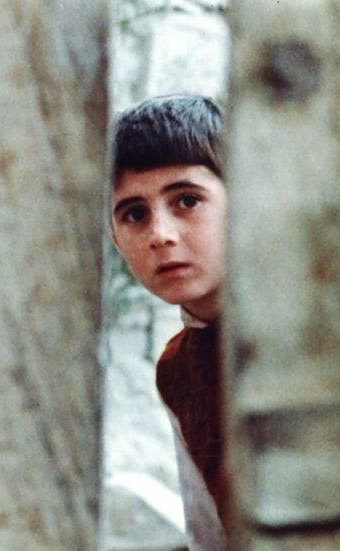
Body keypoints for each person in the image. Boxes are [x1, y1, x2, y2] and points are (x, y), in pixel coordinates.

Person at [110, 94, 229, 551]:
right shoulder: (177, 369)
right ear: (115, 238)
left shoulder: (319, 333)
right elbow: (209, 538)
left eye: (187, 201)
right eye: (135, 214)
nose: (160, 234)